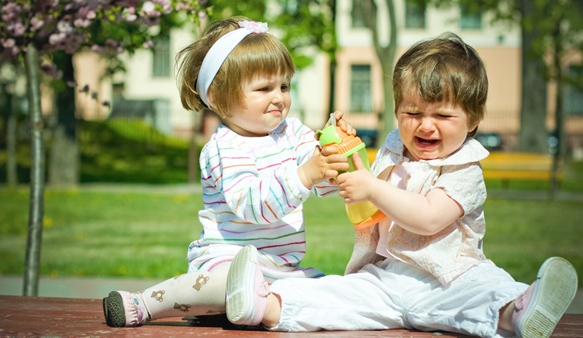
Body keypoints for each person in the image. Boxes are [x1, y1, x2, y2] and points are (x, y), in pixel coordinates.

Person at [224, 32, 578, 338]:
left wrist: (373, 187)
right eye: (413, 113)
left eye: (442, 115)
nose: (425, 126)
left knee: (485, 291)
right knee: (333, 294)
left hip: (449, 278)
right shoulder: (394, 151)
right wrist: (351, 166)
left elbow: (427, 219)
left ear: (473, 120)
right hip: (384, 278)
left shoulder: (465, 169)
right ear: (397, 111)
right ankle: (265, 305)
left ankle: (520, 310)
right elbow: (365, 215)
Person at [102, 16, 354, 327]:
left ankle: (247, 306)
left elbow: (320, 183)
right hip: (227, 260)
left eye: (284, 85)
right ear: (220, 99)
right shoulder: (223, 148)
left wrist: (332, 152)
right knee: (217, 283)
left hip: (281, 267)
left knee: (333, 288)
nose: (279, 97)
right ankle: (146, 303)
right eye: (264, 87)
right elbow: (251, 205)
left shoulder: (295, 133)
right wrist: (306, 174)